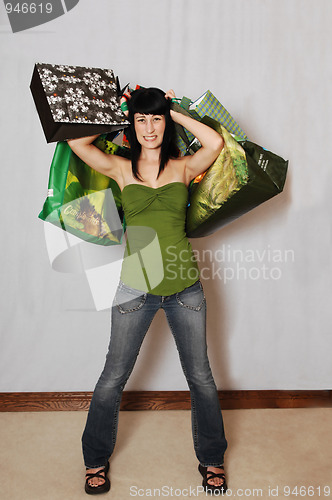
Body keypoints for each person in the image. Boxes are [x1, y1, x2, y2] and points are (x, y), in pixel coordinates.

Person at [67, 87, 228, 495]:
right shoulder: (121, 169)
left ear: (165, 122)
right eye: (141, 120)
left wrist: (173, 111)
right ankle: (94, 461)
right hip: (134, 288)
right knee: (112, 377)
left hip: (184, 288)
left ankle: (211, 460)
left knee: (202, 379)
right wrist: (117, 111)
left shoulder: (183, 167)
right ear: (132, 125)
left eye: (155, 119)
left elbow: (216, 142)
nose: (149, 127)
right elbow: (75, 141)